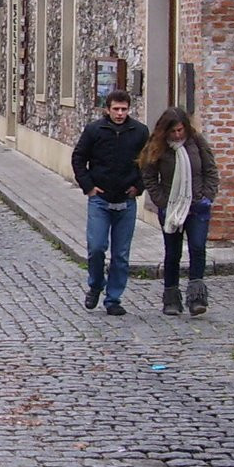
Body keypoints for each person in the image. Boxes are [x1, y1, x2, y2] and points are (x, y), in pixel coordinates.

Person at [72, 89, 150, 315]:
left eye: (124, 109)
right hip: (100, 200)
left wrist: (139, 186)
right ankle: (96, 285)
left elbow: (148, 162)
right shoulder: (95, 130)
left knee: (121, 254)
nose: (119, 113)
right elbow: (79, 158)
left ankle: (113, 298)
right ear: (107, 109)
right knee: (96, 247)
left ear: (129, 109)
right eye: (116, 109)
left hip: (126, 200)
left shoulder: (139, 132)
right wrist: (88, 186)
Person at [139, 107, 220, 316]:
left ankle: (197, 296)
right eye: (173, 131)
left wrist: (207, 197)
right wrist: (162, 202)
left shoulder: (197, 142)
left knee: (197, 246)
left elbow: (210, 170)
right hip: (172, 206)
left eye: (180, 130)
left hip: (196, 205)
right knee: (172, 252)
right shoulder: (157, 147)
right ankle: (171, 298)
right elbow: (148, 176)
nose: (177, 135)